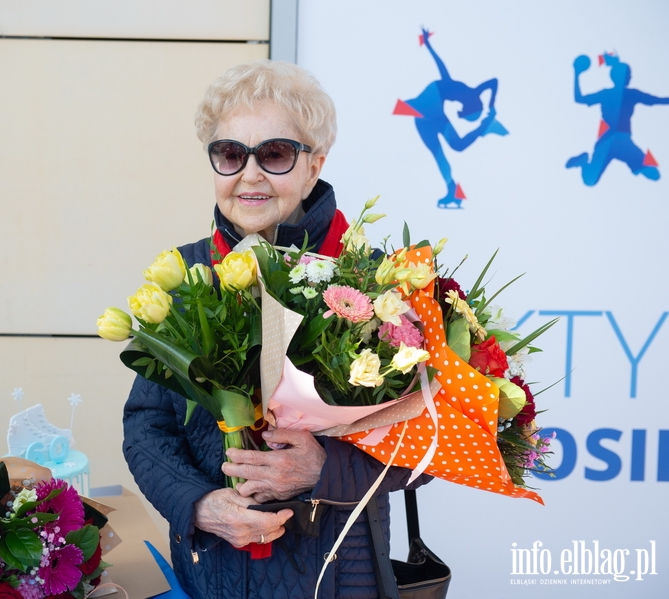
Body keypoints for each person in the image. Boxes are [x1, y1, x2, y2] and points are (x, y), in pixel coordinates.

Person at [122, 61, 430, 599]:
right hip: (209, 572)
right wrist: (199, 505)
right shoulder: (183, 279)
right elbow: (147, 426)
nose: (250, 175)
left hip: (340, 575)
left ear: (314, 166)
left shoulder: (376, 282)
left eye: (275, 154)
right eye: (230, 154)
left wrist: (323, 467)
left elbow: (430, 447)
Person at [398, 29, 505, 208]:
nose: (460, 113)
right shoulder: (461, 90)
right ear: (469, 107)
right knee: (449, 147)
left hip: (429, 116)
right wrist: (491, 106)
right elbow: (443, 68)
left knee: (448, 149)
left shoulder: (469, 94)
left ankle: (451, 190)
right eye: (466, 115)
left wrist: (491, 107)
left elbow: (492, 83)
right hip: (428, 108)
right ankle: (484, 127)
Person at [565, 53, 668, 186]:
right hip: (615, 141)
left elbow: (579, 99)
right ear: (624, 77)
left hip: (616, 141)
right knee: (589, 181)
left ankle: (584, 162)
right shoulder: (625, 94)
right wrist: (576, 73)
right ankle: (583, 161)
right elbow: (657, 100)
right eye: (629, 74)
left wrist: (577, 73)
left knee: (589, 181)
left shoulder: (620, 94)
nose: (631, 77)